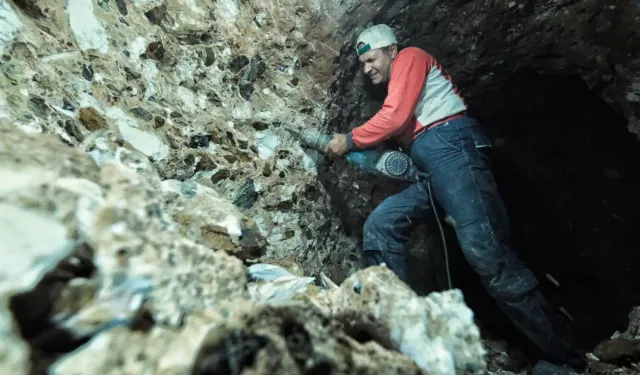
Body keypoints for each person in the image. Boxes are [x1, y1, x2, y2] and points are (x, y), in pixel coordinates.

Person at [323, 24, 588, 375]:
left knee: (487, 253)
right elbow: (403, 123)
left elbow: (395, 115)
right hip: (432, 162)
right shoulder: (399, 82)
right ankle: (401, 337)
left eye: (372, 58)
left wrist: (350, 140)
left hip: (453, 148)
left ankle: (564, 359)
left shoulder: (410, 57)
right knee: (382, 226)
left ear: (391, 50)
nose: (367, 67)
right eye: (362, 63)